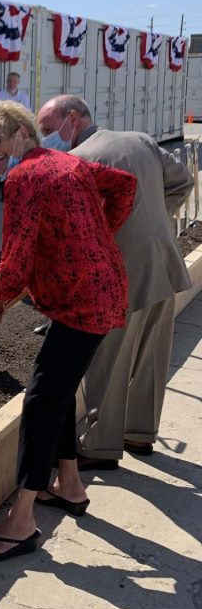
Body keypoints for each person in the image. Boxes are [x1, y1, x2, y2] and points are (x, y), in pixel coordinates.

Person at [0, 101, 137, 561]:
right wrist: (99, 235)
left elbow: (16, 256)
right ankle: (70, 485)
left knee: (41, 399)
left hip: (83, 303)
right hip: (95, 292)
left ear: (22, 133)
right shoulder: (70, 162)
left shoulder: (24, 176)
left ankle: (21, 521)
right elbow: (125, 185)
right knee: (56, 390)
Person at [37, 94, 193, 469]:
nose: (45, 138)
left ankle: (100, 445)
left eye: (47, 129)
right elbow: (183, 181)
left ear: (72, 118)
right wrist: (156, 217)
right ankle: (140, 434)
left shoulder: (75, 161)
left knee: (108, 361)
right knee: (153, 356)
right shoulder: (140, 139)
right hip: (163, 264)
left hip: (118, 277)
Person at [0, 71, 30, 204]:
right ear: (6, 81)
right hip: (0, 133)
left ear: (18, 82)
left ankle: (7, 195)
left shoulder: (23, 96)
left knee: (13, 165)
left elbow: (26, 114)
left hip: (15, 134)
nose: (11, 83)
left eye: (14, 81)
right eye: (9, 81)